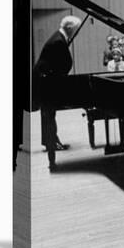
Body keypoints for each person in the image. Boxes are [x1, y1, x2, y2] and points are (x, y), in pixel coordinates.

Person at [32, 15, 82, 170]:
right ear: (70, 28)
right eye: (76, 29)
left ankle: (51, 141)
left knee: (48, 115)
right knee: (49, 115)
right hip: (46, 82)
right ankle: (51, 144)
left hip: (44, 79)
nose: (76, 32)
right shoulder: (59, 41)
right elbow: (66, 63)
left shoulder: (58, 36)